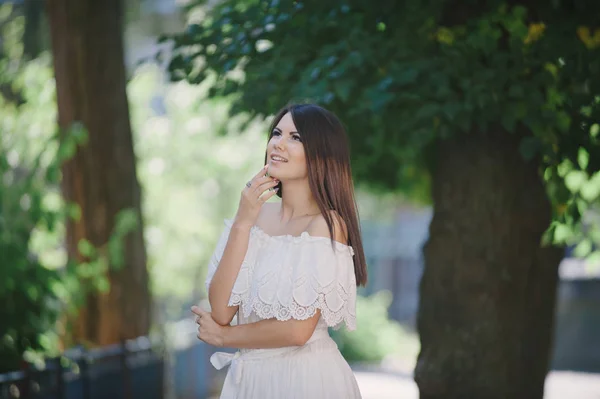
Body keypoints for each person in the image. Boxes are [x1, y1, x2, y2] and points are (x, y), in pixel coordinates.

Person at [191, 103, 367, 398]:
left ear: (321, 154)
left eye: (295, 138)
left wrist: (225, 336)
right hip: (249, 381)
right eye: (276, 133)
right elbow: (221, 310)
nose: (278, 144)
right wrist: (242, 223)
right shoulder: (251, 218)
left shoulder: (326, 225)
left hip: (305, 380)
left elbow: (298, 331)